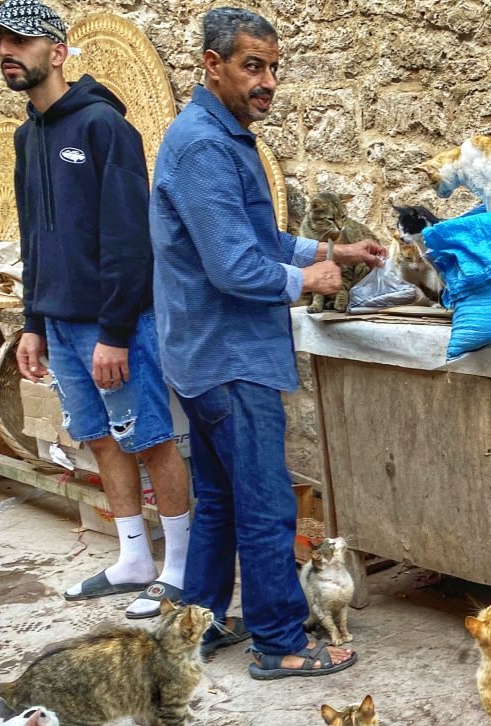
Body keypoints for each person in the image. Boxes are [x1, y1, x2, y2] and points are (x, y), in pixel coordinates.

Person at [150, 7, 386, 677]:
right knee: (264, 502)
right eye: (254, 66)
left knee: (223, 497)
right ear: (212, 65)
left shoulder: (223, 139)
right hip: (228, 355)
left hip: (209, 352)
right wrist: (306, 277)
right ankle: (280, 643)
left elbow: (259, 238)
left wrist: (330, 248)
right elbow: (234, 266)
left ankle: (191, 630)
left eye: (274, 68)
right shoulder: (203, 145)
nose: (268, 82)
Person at [0, 0, 191, 620]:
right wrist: (32, 324)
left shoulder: (104, 128)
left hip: (113, 325)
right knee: (98, 439)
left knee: (149, 439)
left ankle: (178, 567)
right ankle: (133, 559)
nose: (7, 53)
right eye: (0, 44)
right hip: (61, 326)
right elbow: (34, 238)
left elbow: (129, 240)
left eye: (20, 41)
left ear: (58, 52)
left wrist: (117, 333)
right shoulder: (26, 136)